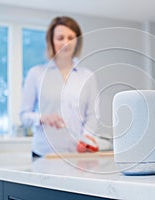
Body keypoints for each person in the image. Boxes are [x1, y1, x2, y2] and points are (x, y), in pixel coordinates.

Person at [20, 16, 99, 158]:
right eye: (60, 37)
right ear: (51, 41)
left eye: (71, 37)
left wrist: (86, 139)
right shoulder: (36, 74)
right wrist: (42, 118)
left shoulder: (88, 76)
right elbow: (24, 116)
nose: (65, 42)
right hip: (43, 153)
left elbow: (92, 115)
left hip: (77, 155)